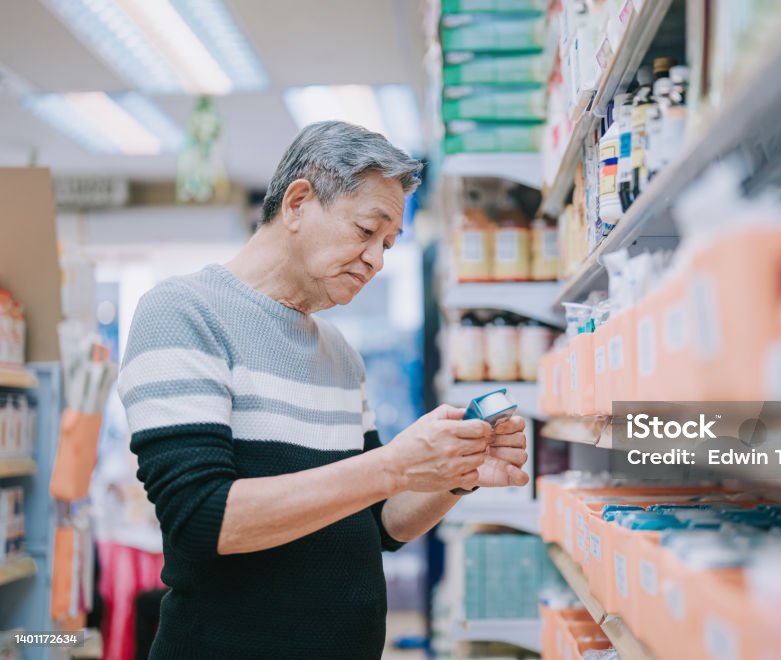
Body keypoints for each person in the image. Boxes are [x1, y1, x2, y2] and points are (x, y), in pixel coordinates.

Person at [117, 121, 530, 659]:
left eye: (388, 243)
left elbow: (378, 522)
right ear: (297, 203)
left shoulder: (340, 355)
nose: (377, 260)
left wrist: (456, 472)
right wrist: (395, 465)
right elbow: (203, 519)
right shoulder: (183, 313)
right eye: (366, 231)